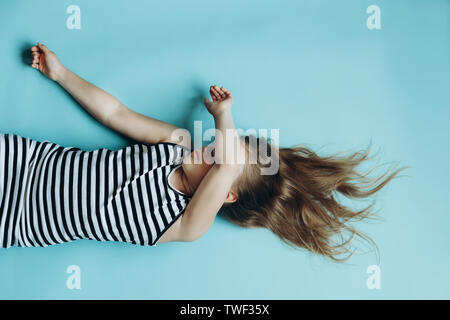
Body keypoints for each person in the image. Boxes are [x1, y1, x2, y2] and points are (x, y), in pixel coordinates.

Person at [0, 42, 407, 262]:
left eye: (220, 153)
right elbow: (115, 112)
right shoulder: (177, 144)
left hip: (17, 222)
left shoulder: (187, 223)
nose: (214, 146)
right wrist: (61, 74)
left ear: (226, 191)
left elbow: (230, 161)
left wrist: (224, 113)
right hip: (22, 159)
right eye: (220, 142)